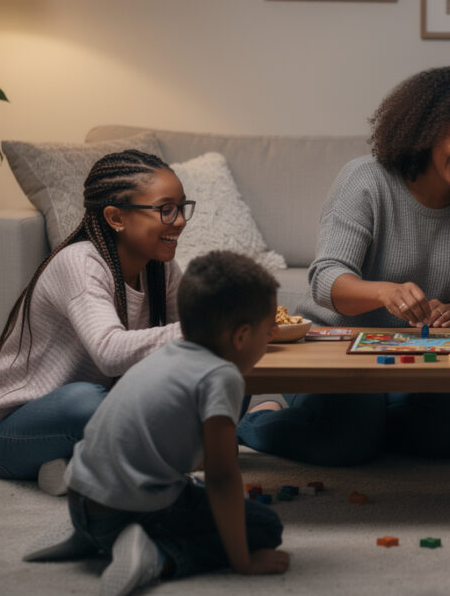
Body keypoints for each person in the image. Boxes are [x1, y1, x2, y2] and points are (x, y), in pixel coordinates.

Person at [237, 65, 450, 466]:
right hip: (337, 346)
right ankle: (259, 420)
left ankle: (362, 425)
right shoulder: (366, 179)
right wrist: (385, 291)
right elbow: (326, 280)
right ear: (429, 127)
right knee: (348, 439)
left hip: (417, 356)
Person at [64, 251, 289, 595]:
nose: (272, 333)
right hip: (119, 512)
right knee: (264, 528)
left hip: (80, 499)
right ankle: (157, 555)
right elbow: (221, 476)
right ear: (241, 336)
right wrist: (242, 562)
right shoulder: (221, 375)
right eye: (268, 327)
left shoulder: (165, 352)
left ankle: (89, 537)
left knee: (187, 494)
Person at [0, 150, 191, 493]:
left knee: (223, 374)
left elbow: (190, 351)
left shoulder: (160, 268)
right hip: (7, 432)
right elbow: (110, 352)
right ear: (116, 217)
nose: (179, 221)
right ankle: (111, 463)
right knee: (83, 400)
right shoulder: (81, 263)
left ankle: (79, 467)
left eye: (182, 207)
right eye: (166, 209)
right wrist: (206, 329)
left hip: (99, 414)